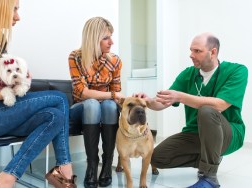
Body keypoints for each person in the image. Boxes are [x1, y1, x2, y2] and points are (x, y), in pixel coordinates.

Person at [0, 0, 77, 187]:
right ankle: (64, 173)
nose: (18, 17)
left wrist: (20, 79)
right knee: (60, 98)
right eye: (15, 9)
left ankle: (7, 177)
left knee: (55, 116)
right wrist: (5, 93)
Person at [134, 32, 248, 188]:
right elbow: (163, 102)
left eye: (197, 51)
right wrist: (148, 101)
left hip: (229, 133)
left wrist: (180, 97)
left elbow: (220, 105)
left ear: (213, 52)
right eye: (191, 50)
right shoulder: (188, 74)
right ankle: (211, 160)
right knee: (157, 157)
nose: (191, 55)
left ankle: (209, 178)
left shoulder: (237, 71)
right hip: (195, 133)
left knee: (207, 110)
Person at [68, 17, 124, 188]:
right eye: (106, 37)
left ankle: (107, 165)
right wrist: (111, 94)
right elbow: (83, 93)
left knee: (109, 105)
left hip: (105, 108)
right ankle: (92, 165)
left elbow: (115, 96)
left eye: (111, 36)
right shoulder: (75, 57)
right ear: (93, 38)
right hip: (81, 108)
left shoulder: (115, 61)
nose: (111, 42)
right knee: (92, 103)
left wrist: (118, 98)